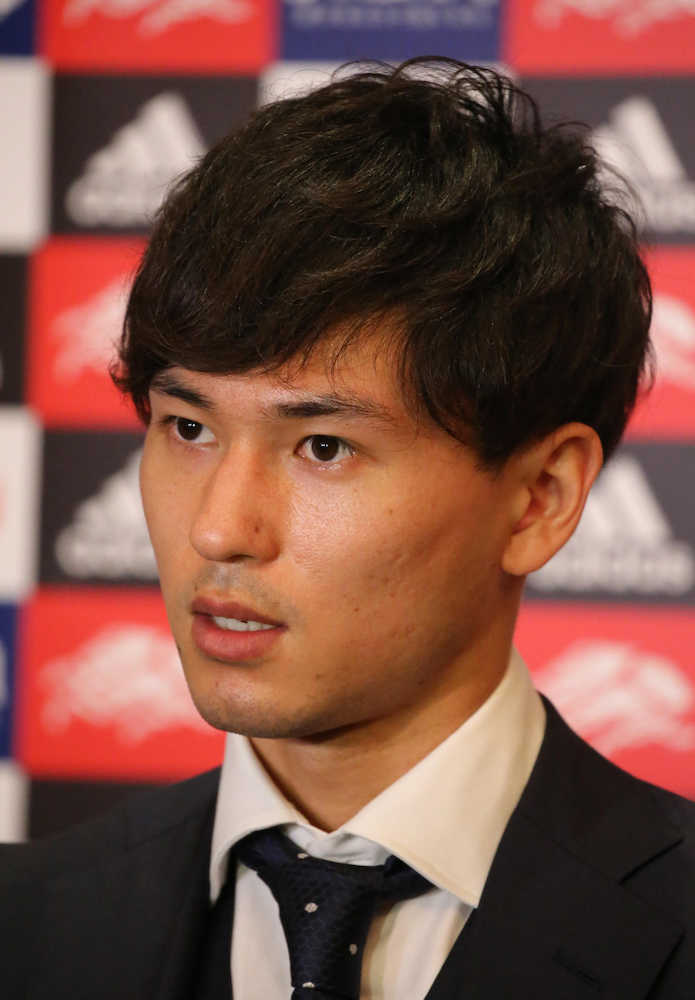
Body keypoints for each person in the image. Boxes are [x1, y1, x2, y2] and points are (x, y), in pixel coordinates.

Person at [2, 58, 693, 999]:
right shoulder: (25, 924)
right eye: (189, 428)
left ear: (539, 498)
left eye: (322, 447)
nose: (218, 530)